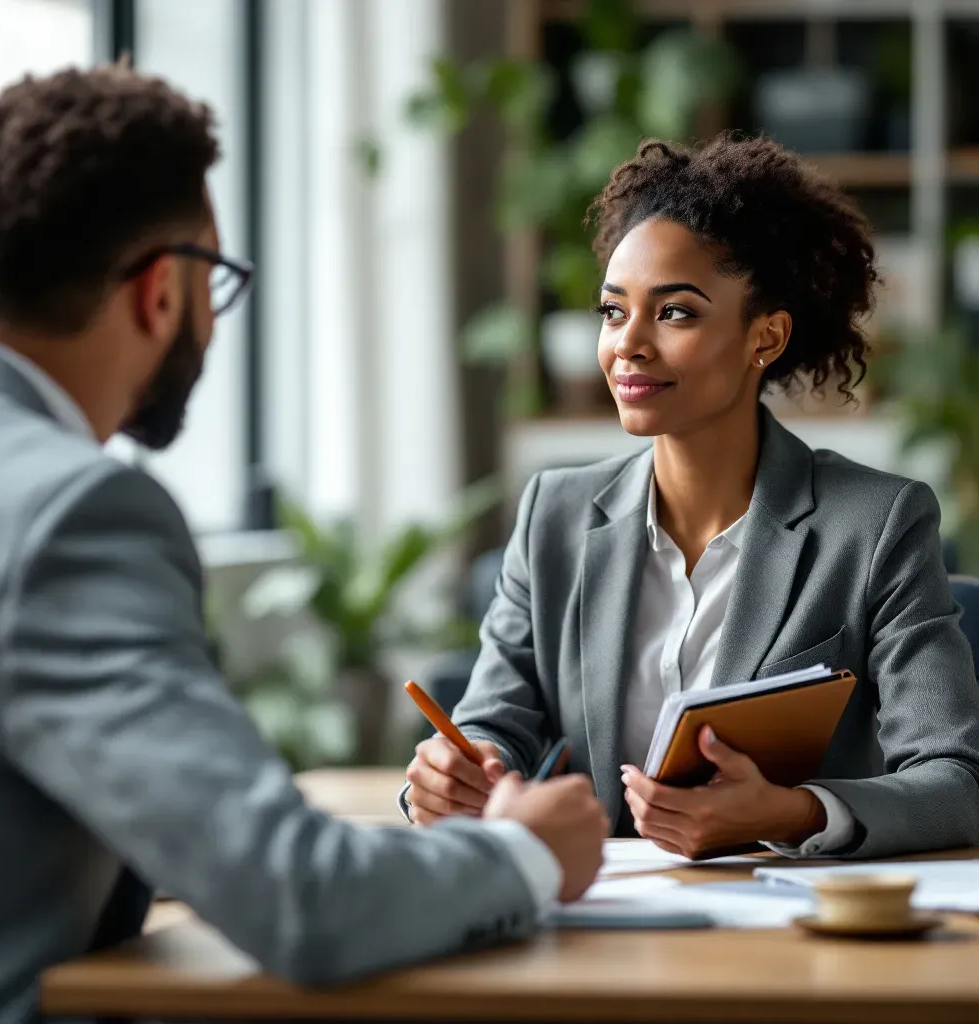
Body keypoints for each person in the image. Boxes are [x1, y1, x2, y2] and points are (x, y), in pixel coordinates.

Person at [0, 65, 608, 1024]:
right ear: (160, 292)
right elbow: (302, 899)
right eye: (215, 278)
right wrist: (525, 854)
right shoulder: (71, 514)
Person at [403, 134, 979, 862]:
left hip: (787, 934)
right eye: (614, 312)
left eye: (674, 313)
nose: (629, 345)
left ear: (763, 337)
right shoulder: (554, 513)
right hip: (598, 918)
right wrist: (457, 772)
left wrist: (793, 811)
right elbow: (497, 725)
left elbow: (957, 783)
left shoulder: (875, 525)